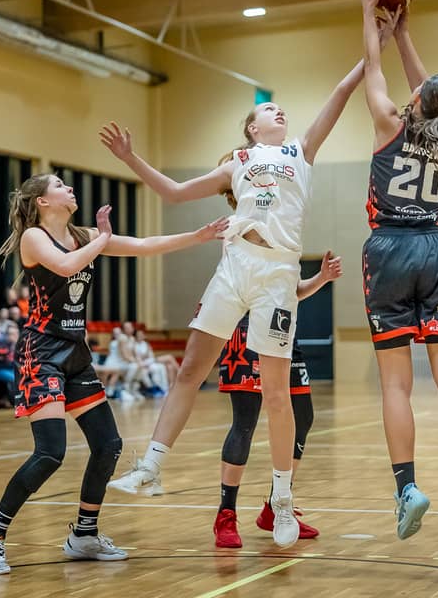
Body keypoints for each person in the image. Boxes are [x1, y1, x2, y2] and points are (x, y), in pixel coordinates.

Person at [101, 53, 364, 549]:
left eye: (282, 109)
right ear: (251, 128)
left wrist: (372, 52)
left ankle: (281, 500)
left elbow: (340, 94)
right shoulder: (237, 163)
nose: (279, 111)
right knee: (189, 370)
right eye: (269, 110)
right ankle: (151, 466)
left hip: (278, 275)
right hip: (235, 265)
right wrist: (130, 159)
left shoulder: (300, 152)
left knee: (277, 395)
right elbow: (175, 192)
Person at [0, 173, 228, 575]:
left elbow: (142, 245)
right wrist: (102, 239)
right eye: (60, 185)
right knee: (50, 452)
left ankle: (84, 534)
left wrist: (198, 236)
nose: (70, 188)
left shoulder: (85, 235)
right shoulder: (34, 238)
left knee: (108, 445)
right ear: (42, 201)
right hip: (42, 353)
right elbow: (66, 264)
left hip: (76, 353)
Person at [357, 0, 438, 540]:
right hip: (434, 247)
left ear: (415, 100)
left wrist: (371, 16)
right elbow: (427, 93)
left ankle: (407, 488)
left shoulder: (388, 122)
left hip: (388, 249)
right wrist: (406, 34)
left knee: (395, 385)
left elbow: (373, 67)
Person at [213, 251, 342, 548]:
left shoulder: (287, 240)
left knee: (303, 417)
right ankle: (226, 514)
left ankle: (277, 505)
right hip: (247, 328)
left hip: (283, 327)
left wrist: (322, 278)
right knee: (245, 422)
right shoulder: (245, 237)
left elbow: (290, 292)